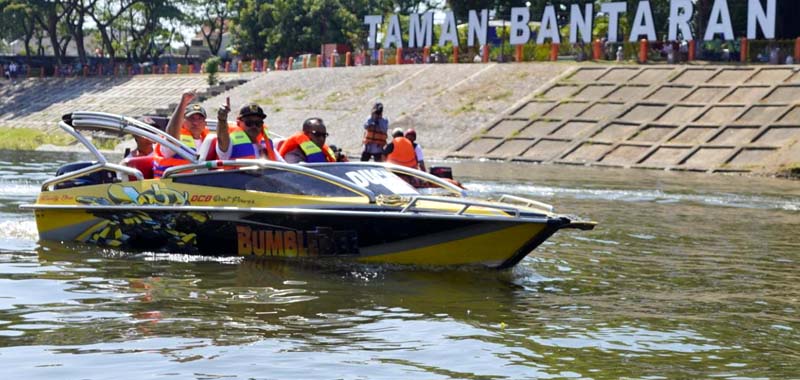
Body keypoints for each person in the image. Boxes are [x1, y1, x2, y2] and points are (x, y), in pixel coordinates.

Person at [152, 91, 211, 177]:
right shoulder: (175, 139)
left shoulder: (209, 140)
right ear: (182, 122)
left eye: (199, 119)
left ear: (205, 123)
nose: (195, 123)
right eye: (191, 118)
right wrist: (183, 102)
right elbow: (171, 134)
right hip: (173, 185)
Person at [215, 100, 283, 161]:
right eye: (249, 123)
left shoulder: (266, 144)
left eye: (258, 123)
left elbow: (284, 167)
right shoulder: (229, 143)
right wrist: (222, 119)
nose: (254, 126)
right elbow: (222, 138)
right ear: (238, 123)